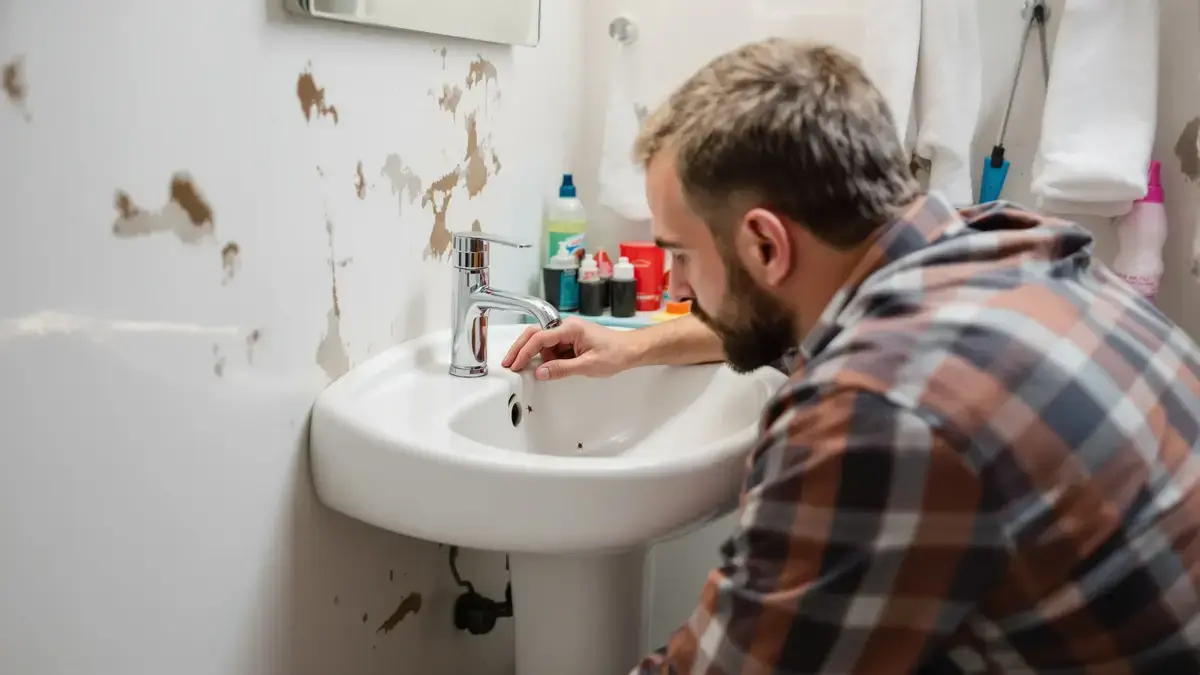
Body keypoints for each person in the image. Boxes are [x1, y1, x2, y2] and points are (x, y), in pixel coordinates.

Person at [506, 39, 1200, 673]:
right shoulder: (1009, 244)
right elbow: (792, 314)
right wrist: (634, 346)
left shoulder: (871, 410)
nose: (678, 286)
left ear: (766, 246)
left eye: (681, 254)